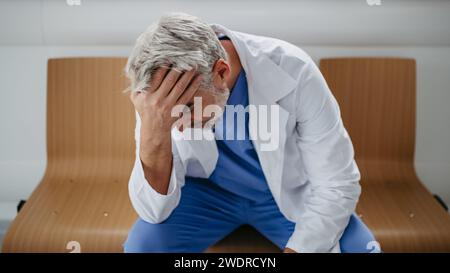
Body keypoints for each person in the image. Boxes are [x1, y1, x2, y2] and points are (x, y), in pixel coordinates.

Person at [123, 12, 377, 253]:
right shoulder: (158, 94)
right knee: (141, 248)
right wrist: (152, 130)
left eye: (189, 107)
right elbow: (153, 210)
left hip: (287, 194)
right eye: (169, 114)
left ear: (221, 72)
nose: (177, 125)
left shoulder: (294, 69)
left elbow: (337, 183)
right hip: (204, 195)